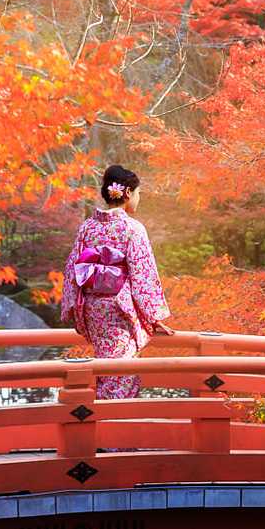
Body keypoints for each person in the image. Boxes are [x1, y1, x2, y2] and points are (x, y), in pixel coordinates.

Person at [60, 165, 173, 399]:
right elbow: (143, 275)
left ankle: (107, 421)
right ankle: (113, 425)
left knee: (107, 368)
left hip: (93, 308)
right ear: (128, 193)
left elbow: (73, 270)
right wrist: (154, 317)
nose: (139, 199)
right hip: (119, 309)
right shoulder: (132, 228)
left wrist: (72, 307)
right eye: (139, 194)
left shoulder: (87, 227)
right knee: (121, 371)